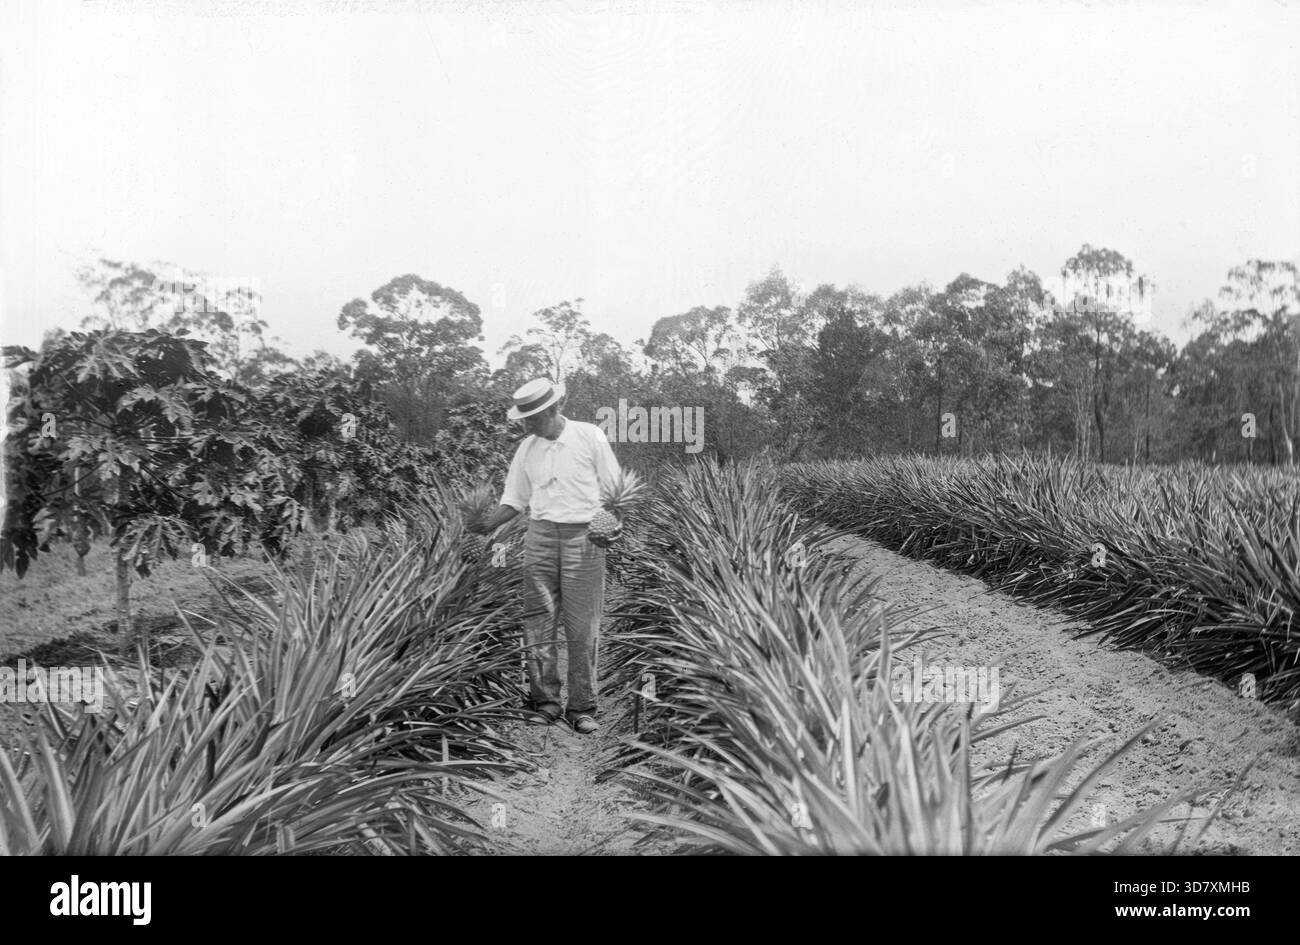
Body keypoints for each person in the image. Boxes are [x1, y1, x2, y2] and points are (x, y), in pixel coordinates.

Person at [470, 377, 622, 734]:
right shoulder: (527, 448)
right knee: (538, 622)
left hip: (583, 538)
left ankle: (582, 706)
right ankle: (545, 701)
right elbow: (514, 499)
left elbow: (614, 490)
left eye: (533, 417)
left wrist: (615, 523)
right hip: (538, 536)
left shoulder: (590, 437)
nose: (527, 424)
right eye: (524, 418)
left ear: (554, 409)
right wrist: (486, 525)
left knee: (582, 626)